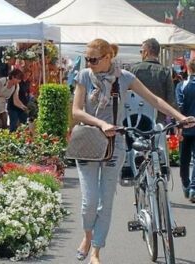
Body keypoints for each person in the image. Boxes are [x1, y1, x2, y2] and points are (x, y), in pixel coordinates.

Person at [72, 38, 194, 264]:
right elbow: (77, 112)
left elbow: (155, 99)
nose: (89, 63)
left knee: (105, 201)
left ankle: (96, 251)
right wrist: (101, 124)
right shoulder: (84, 77)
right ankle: (87, 236)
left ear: (108, 57)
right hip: (88, 143)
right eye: (87, 58)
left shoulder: (124, 77)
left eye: (93, 59)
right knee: (90, 201)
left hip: (115, 144)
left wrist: (180, 117)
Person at [130, 38, 175, 124]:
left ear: (146, 52)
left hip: (136, 116)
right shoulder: (164, 71)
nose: (141, 54)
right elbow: (171, 98)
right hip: (159, 118)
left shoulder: (134, 69)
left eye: (141, 51)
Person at [175, 57, 195, 202]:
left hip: (185, 126)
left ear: (188, 69)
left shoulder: (182, 85)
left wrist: (179, 127)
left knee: (184, 159)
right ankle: (193, 187)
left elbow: (179, 107)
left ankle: (186, 184)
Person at [8, 68, 31, 132]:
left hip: (22, 105)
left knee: (23, 124)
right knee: (13, 124)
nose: (27, 76)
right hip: (13, 106)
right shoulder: (17, 83)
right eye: (26, 74)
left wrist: (25, 106)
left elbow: (27, 93)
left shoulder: (27, 82)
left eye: (29, 75)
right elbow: (15, 99)